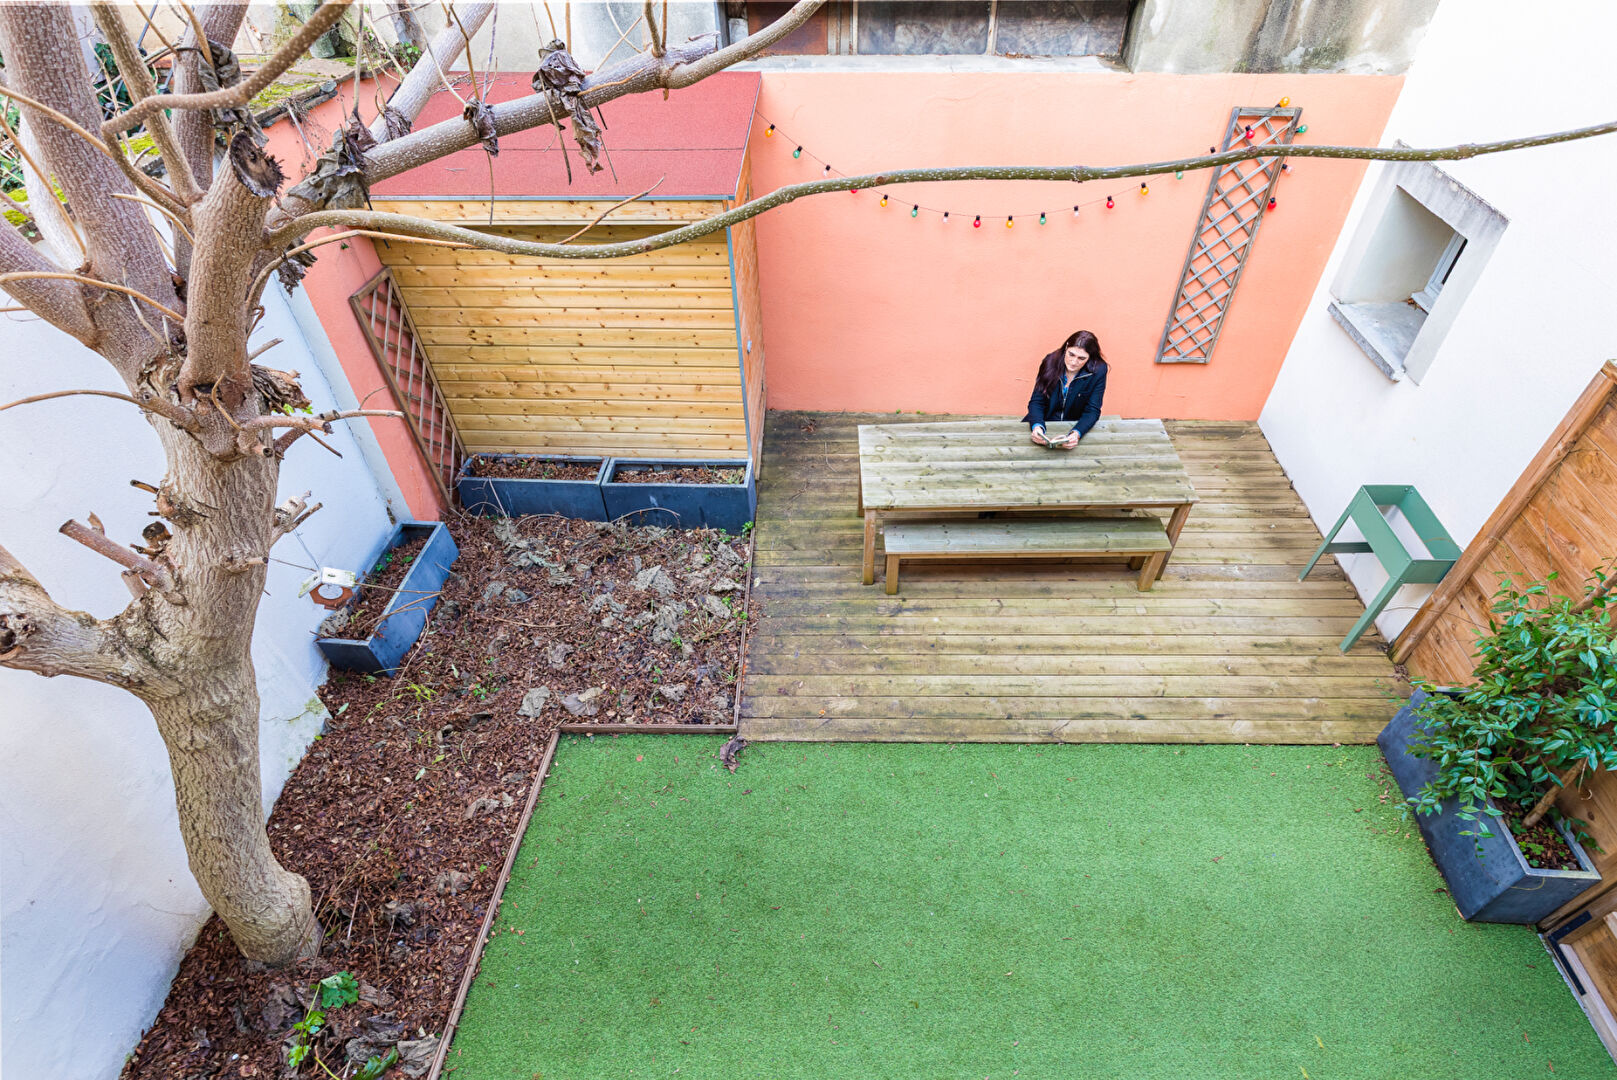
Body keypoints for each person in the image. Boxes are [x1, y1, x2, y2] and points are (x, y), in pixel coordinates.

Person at [1024, 330, 1108, 449]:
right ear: (1066, 347)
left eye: (1081, 358)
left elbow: (1092, 410)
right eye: (1071, 354)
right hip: (1045, 423)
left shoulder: (1098, 370)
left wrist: (1076, 434)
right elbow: (1037, 402)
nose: (1074, 362)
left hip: (1074, 425)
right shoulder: (1050, 361)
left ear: (1090, 358)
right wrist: (1037, 427)